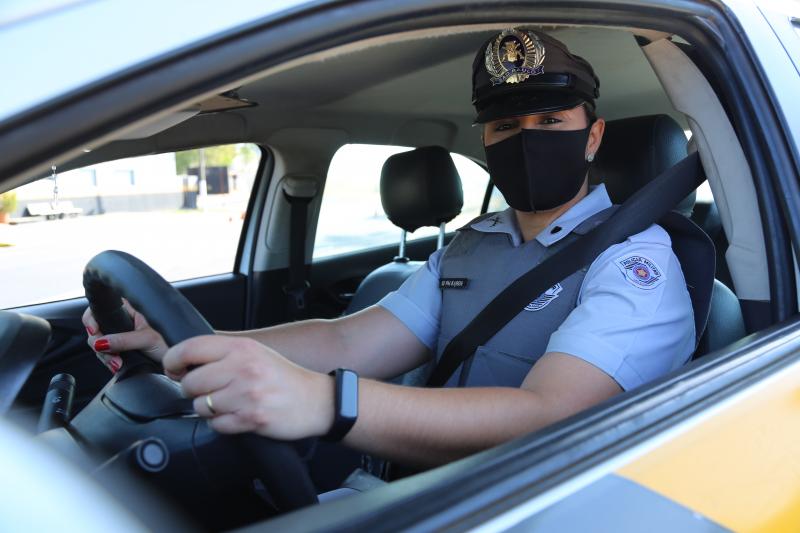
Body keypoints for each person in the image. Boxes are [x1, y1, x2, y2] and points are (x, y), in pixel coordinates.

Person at [83, 29, 695, 468]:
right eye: (506, 127)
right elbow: (347, 341)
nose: (527, 140)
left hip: (527, 497)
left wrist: (329, 403)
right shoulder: (467, 248)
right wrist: (188, 344)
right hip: (415, 482)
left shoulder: (637, 260)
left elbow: (549, 415)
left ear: (592, 138)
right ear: (486, 141)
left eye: (550, 122)